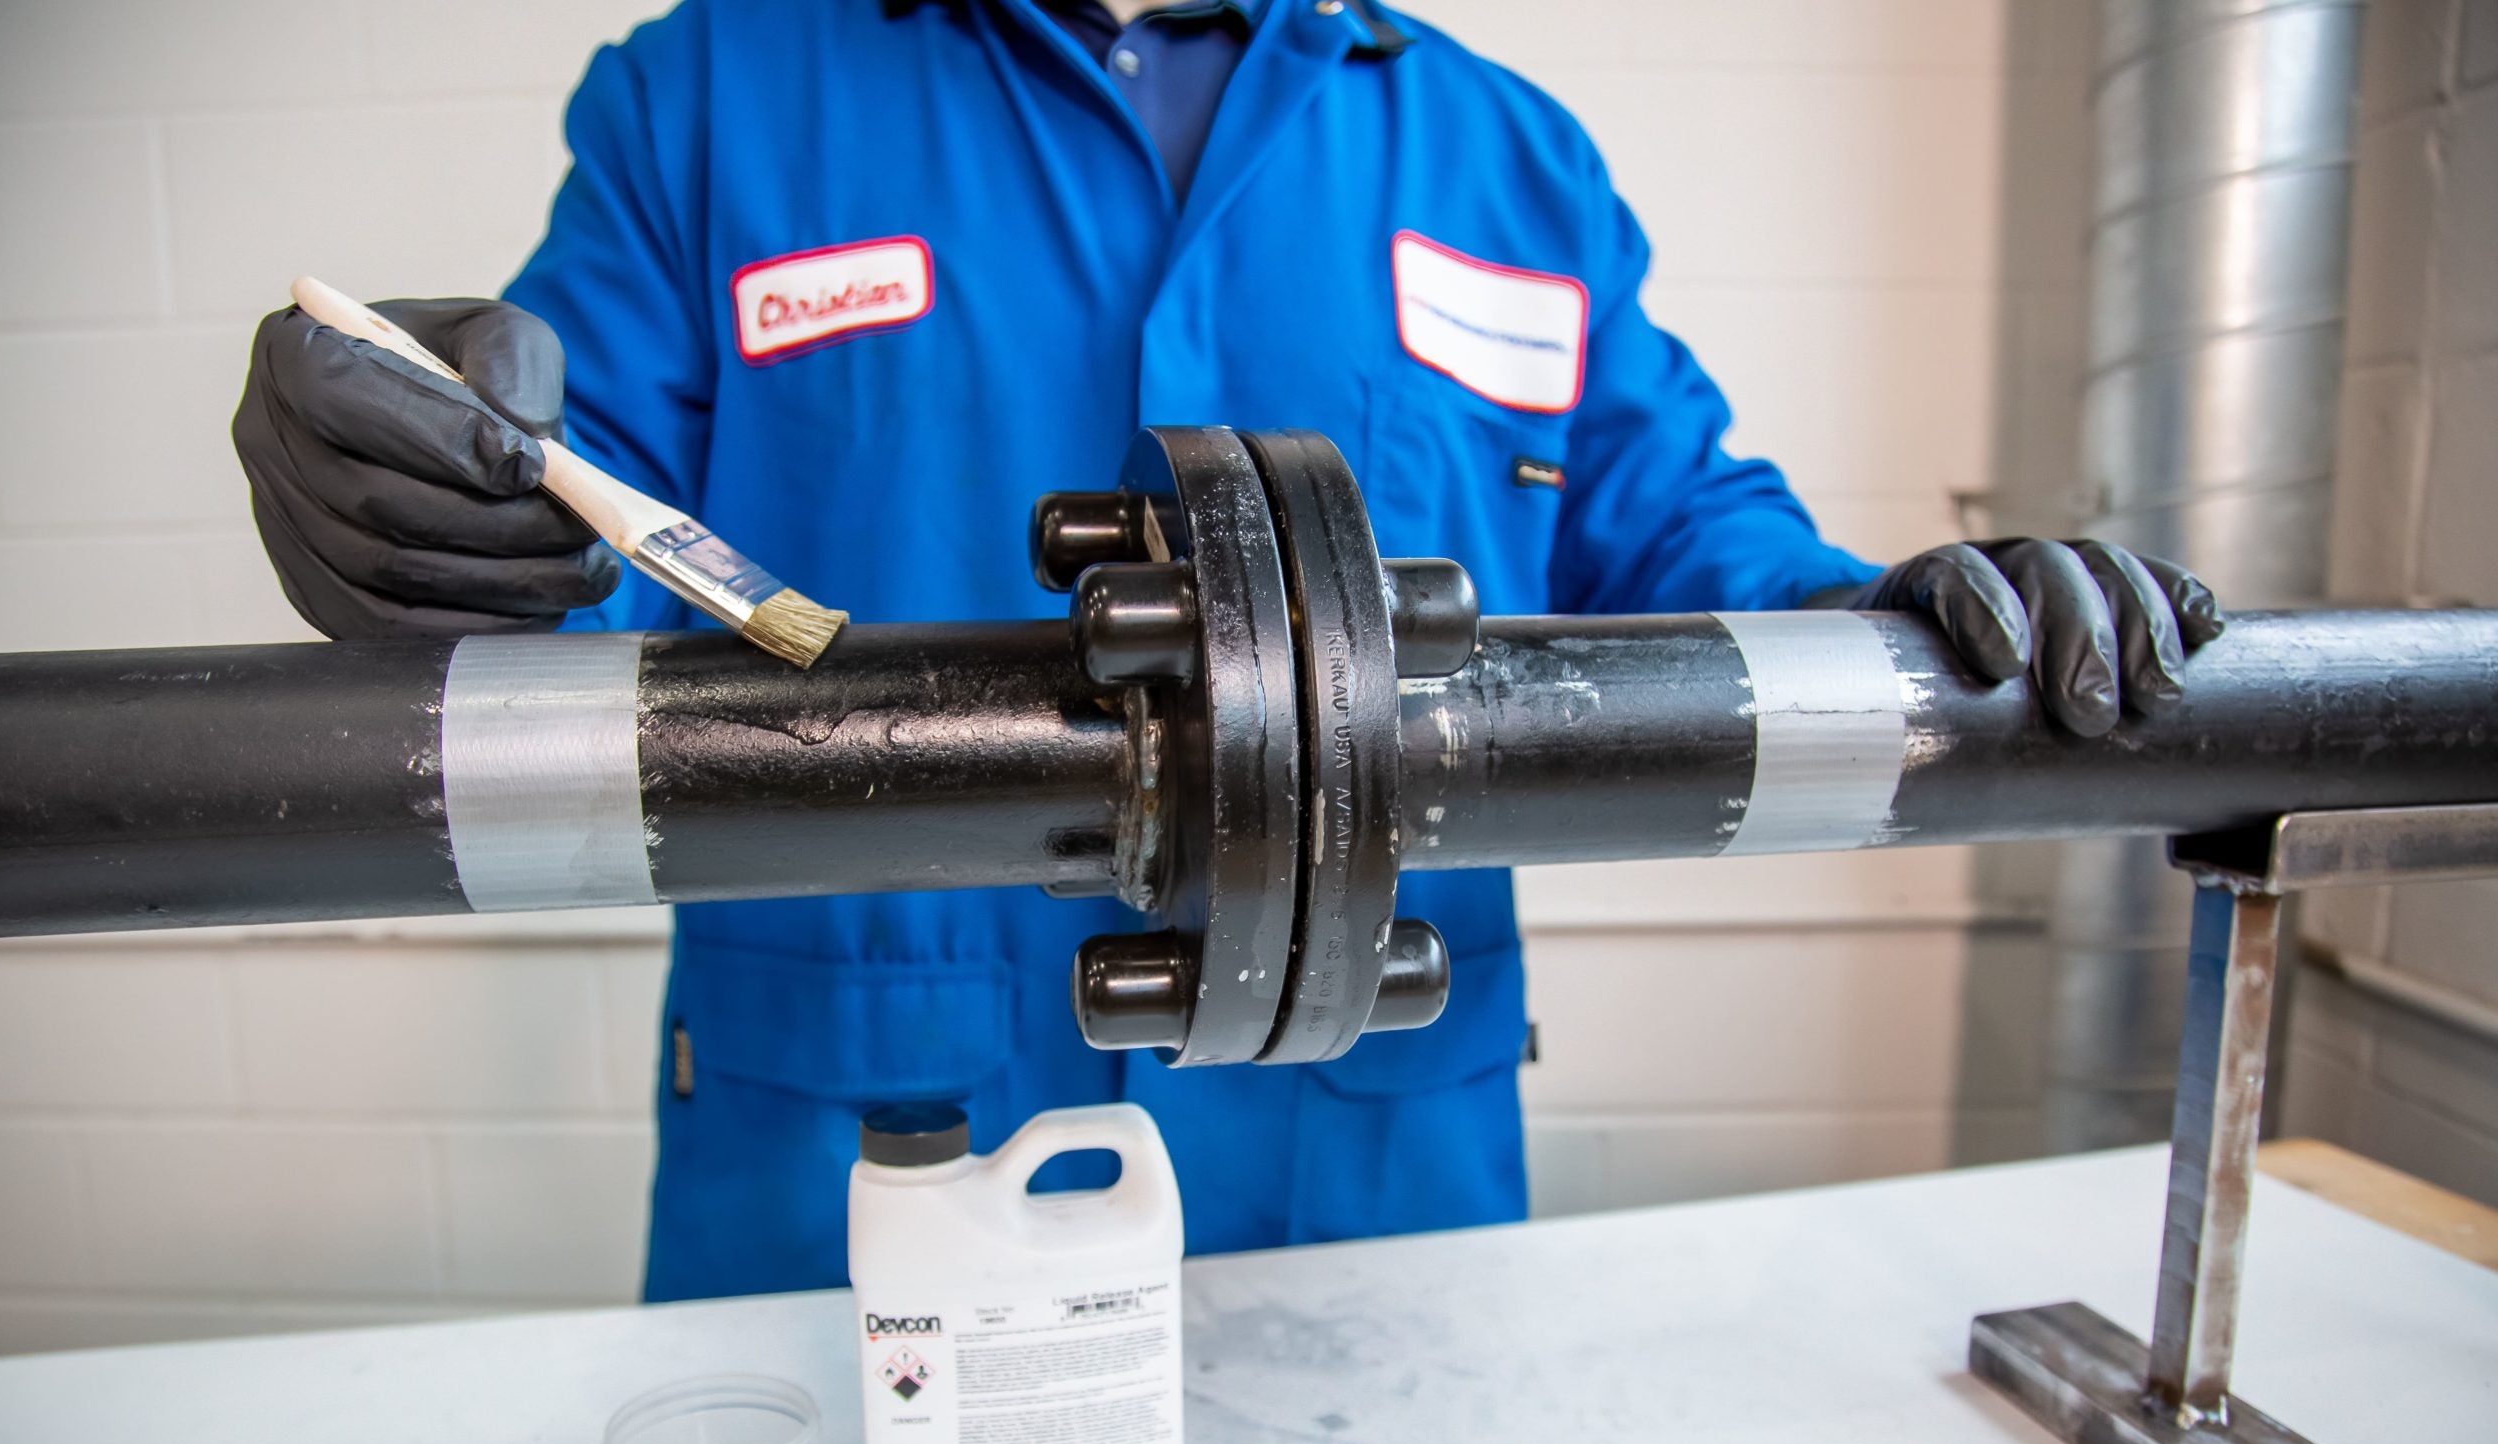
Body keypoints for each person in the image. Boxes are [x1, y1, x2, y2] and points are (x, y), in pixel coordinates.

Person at [232, 0, 2224, 1301]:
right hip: (868, 1170)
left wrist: (1894, 621)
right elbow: (572, 502)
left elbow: (1683, 535)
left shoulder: (1503, 158)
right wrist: (435, 490)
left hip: (1371, 1168)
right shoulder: (717, 101)